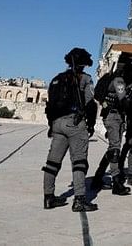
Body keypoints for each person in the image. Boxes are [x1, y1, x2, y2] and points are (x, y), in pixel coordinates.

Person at [42, 48, 98, 211]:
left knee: (52, 163)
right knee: (79, 161)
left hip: (57, 123)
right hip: (75, 122)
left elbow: (50, 105)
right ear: (84, 64)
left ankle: (48, 197)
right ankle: (80, 200)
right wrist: (91, 124)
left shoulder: (56, 79)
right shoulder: (85, 79)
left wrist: (51, 125)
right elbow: (90, 103)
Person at [91, 75, 131, 195]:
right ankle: (117, 182)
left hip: (118, 116)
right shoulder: (118, 80)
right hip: (112, 116)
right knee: (115, 150)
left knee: (113, 148)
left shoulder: (118, 80)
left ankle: (98, 177)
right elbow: (123, 100)